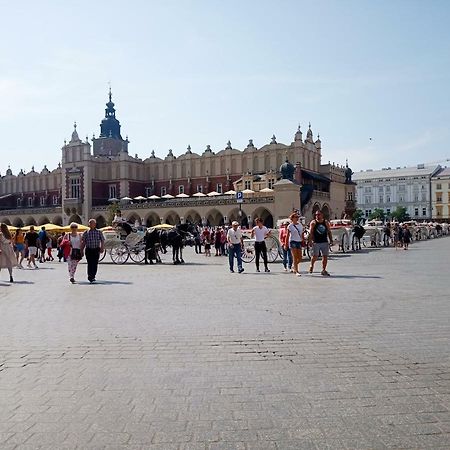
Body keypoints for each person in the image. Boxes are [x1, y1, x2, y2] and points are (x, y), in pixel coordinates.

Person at [308, 210, 333, 276]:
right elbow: (311, 232)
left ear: (322, 215)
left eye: (318, 214)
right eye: (316, 215)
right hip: (316, 242)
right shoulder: (313, 222)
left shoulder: (326, 222)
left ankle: (323, 270)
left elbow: (329, 231)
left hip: (324, 241)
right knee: (315, 256)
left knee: (325, 256)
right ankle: (311, 265)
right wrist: (310, 241)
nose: (317, 216)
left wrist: (331, 240)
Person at [80, 218, 105, 283]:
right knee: (90, 263)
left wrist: (102, 248)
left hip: (96, 249)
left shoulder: (99, 232)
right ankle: (90, 276)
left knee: (95, 263)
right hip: (88, 250)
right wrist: (81, 250)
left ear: (95, 224)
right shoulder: (86, 232)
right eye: (90, 223)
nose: (91, 224)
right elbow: (83, 242)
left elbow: (102, 240)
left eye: (92, 223)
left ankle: (93, 275)